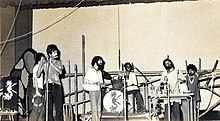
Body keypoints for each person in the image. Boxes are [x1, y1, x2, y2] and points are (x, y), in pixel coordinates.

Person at [38, 44, 65, 121]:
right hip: (48, 85)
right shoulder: (45, 63)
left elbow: (60, 72)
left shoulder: (59, 62)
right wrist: (40, 65)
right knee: (48, 107)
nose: (56, 54)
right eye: (54, 52)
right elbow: (38, 74)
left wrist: (52, 64)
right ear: (50, 54)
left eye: (56, 52)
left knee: (58, 106)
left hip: (57, 85)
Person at [83, 56, 106, 121]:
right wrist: (94, 83)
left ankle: (98, 119)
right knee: (94, 107)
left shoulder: (99, 72)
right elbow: (86, 81)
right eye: (100, 61)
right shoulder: (90, 70)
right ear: (95, 62)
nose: (101, 62)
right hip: (92, 91)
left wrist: (102, 85)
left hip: (98, 90)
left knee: (99, 108)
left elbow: (101, 82)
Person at [29, 53, 46, 121]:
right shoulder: (36, 67)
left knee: (41, 109)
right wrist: (36, 91)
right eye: (43, 59)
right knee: (36, 109)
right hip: (37, 88)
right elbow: (35, 79)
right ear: (39, 60)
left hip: (41, 89)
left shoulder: (41, 68)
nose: (44, 60)